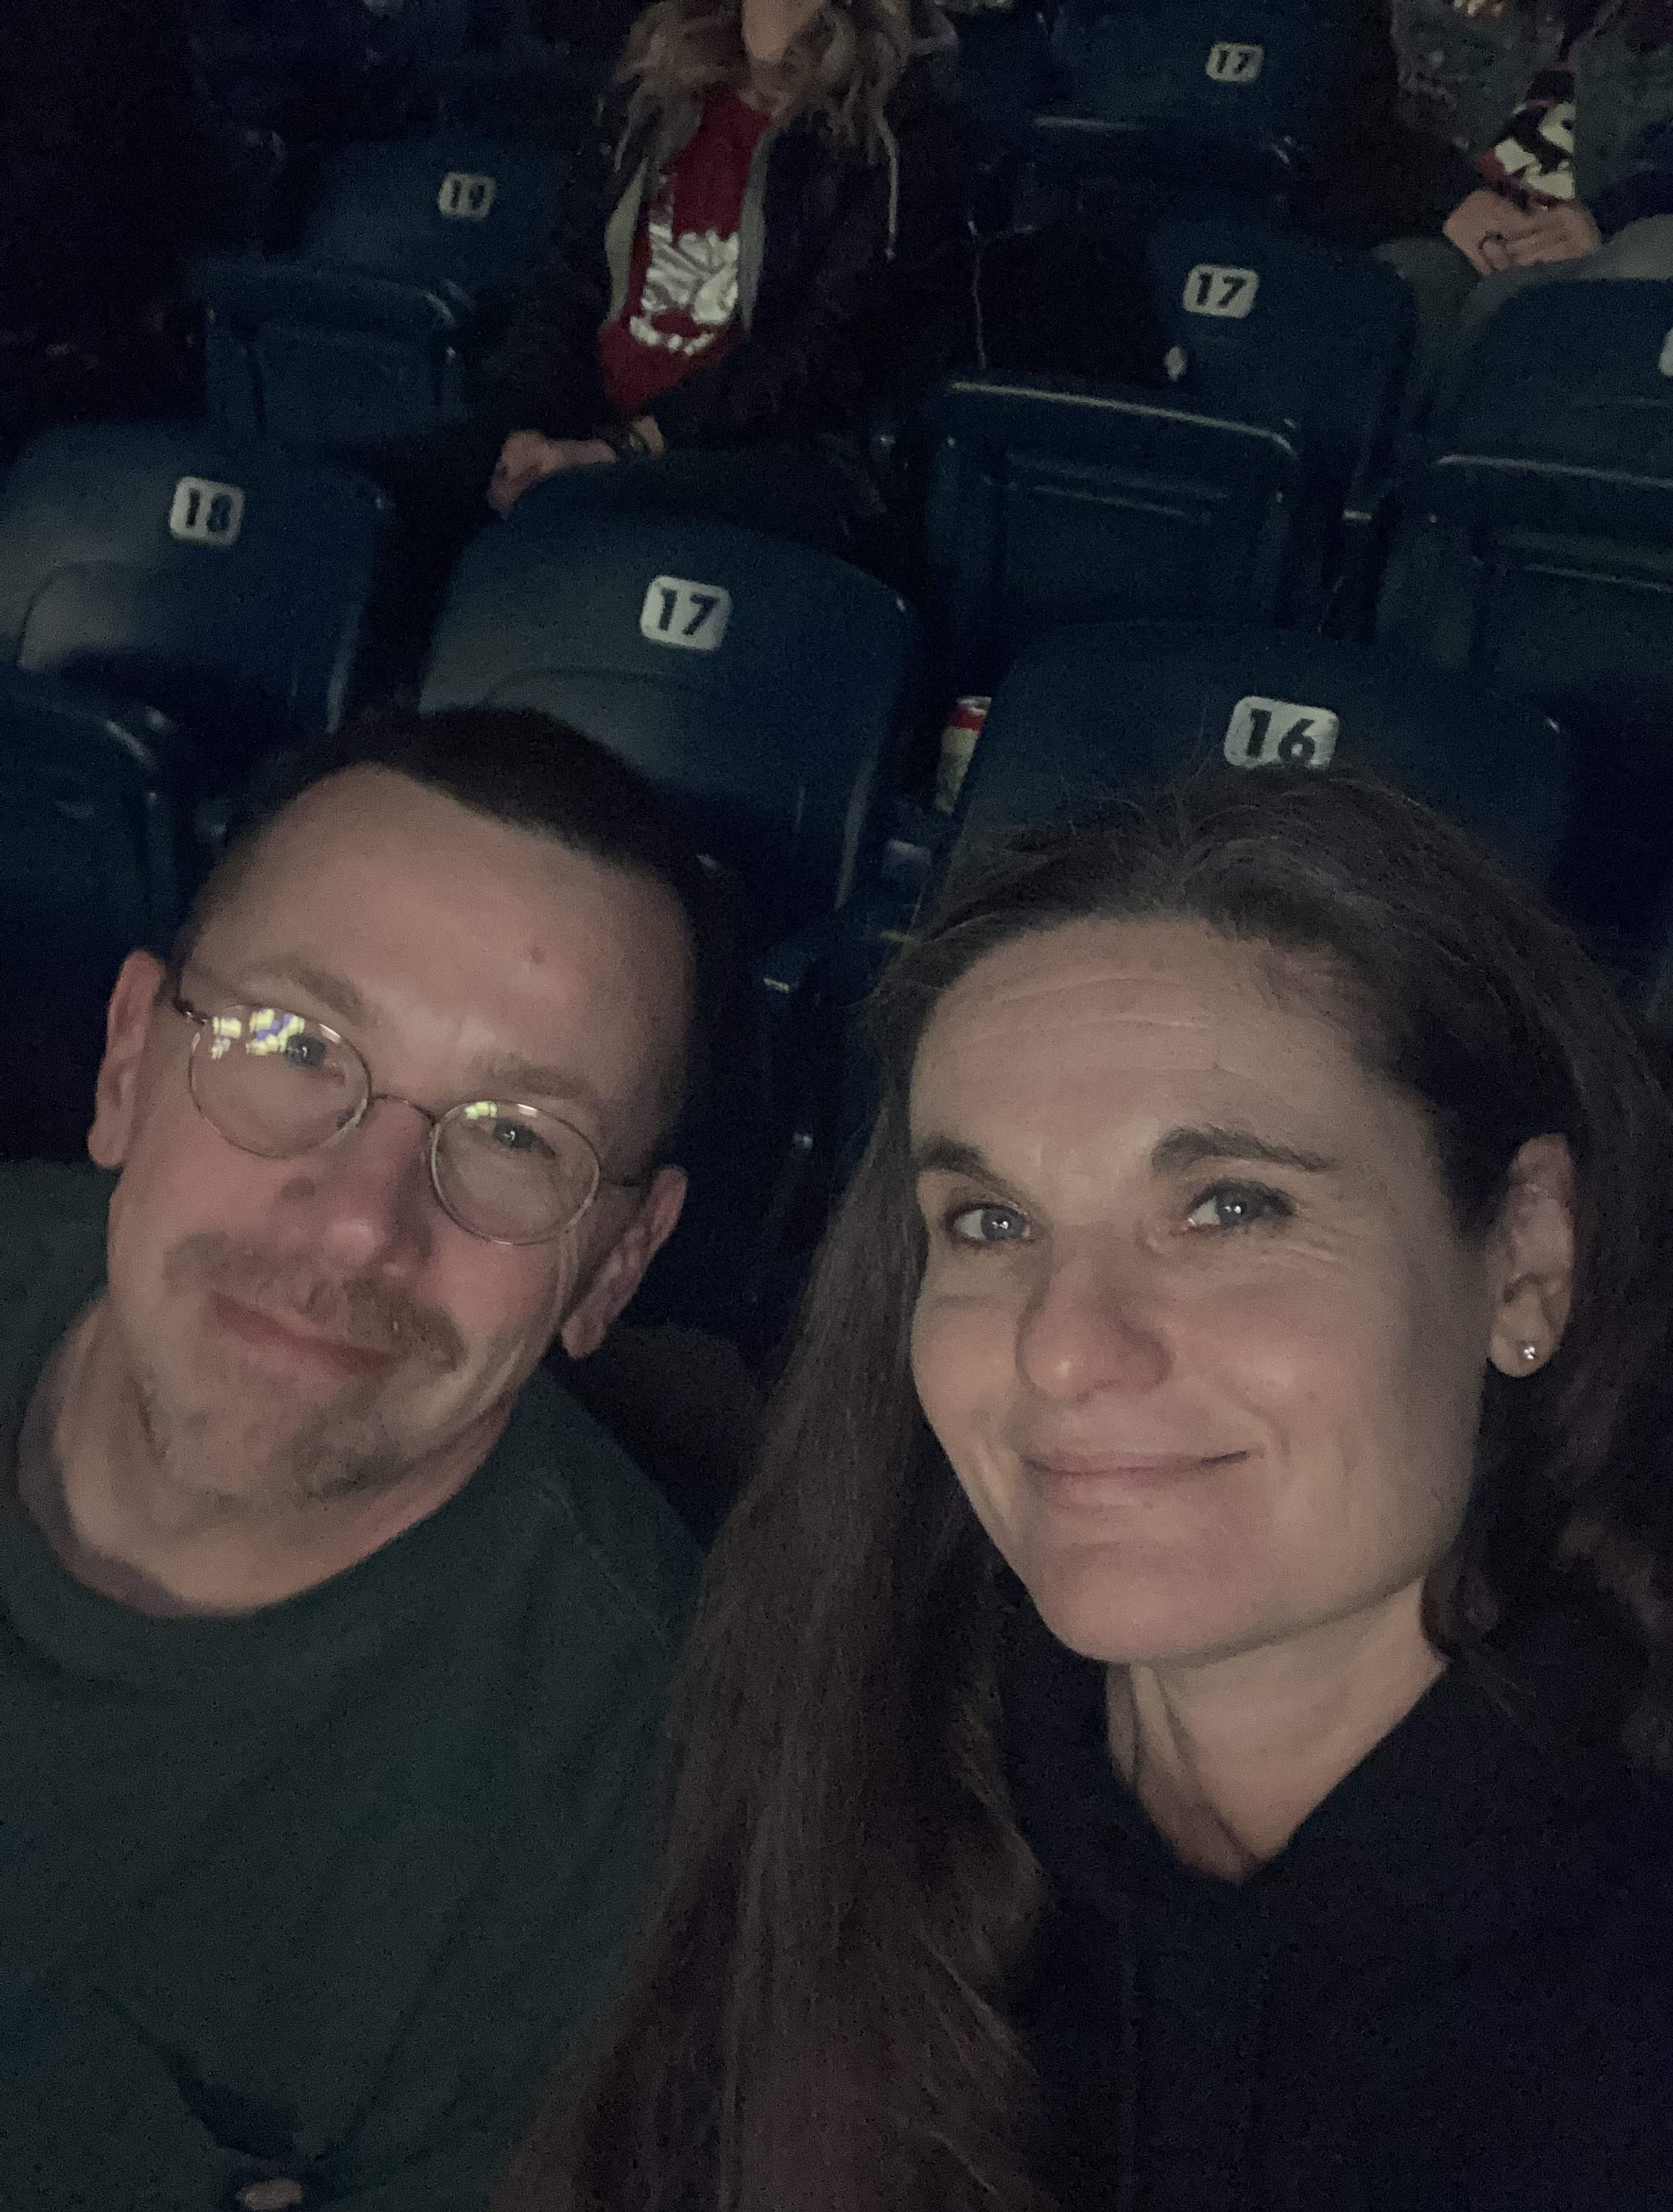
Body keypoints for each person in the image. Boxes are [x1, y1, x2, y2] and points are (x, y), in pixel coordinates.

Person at [506, 768, 1673, 2212]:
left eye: (1228, 1206)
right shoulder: (845, 1754)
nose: (1062, 1350)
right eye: (992, 1223)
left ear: (1528, 1258)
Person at [0, 707, 708, 2211]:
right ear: (127, 1062)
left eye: (519, 1139)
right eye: (294, 1045)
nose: (357, 1223)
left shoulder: (635, 1835)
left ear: (616, 1264)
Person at [372, 0, 971, 574]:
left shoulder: (899, 119)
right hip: (595, 425)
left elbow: (821, 356)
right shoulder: (658, 77)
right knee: (364, 498)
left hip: (771, 454)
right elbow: (571, 283)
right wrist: (521, 425)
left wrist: (627, 447)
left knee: (571, 508)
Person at [1375, 0, 1673, 405]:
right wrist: (1453, 198)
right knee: (1401, 285)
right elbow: (1351, 122)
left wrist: (1607, 217)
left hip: (1602, 249)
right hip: (1453, 236)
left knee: (1650, 256)